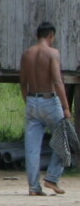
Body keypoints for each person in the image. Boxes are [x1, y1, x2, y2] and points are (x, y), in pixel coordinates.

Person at [19, 21, 71, 196]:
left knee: (32, 147)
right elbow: (57, 81)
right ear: (51, 36)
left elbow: (23, 83)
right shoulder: (52, 53)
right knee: (63, 140)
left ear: (37, 35)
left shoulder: (27, 54)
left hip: (32, 100)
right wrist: (66, 107)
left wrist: (29, 101)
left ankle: (33, 187)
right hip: (49, 99)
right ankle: (52, 178)